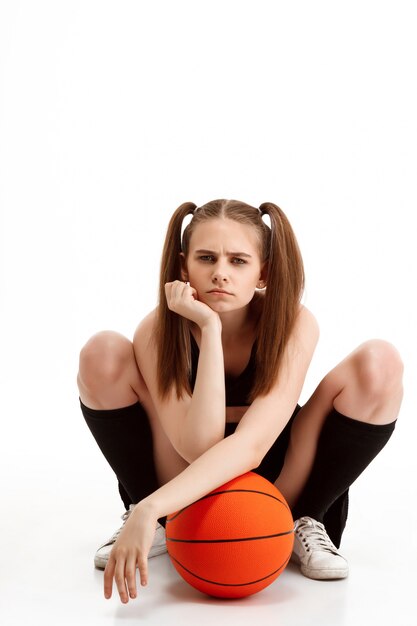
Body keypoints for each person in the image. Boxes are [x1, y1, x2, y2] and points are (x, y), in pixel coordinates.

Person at [78, 199, 403, 604]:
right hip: (183, 473)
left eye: (238, 261)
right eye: (207, 258)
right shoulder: (158, 329)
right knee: (102, 352)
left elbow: (251, 447)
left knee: (380, 362)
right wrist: (209, 329)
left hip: (283, 476)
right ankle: (161, 523)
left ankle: (306, 519)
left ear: (263, 271)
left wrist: (149, 506)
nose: (220, 273)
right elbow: (198, 447)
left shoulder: (293, 323)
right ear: (183, 267)